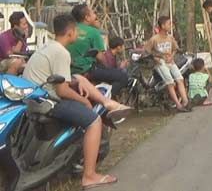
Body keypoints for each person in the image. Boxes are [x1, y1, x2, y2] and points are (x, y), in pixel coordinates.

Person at [23, 14, 131, 189]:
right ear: (70, 32)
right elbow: (62, 90)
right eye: (77, 31)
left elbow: (60, 81)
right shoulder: (61, 52)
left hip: (36, 98)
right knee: (94, 121)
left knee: (79, 78)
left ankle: (108, 103)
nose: (78, 34)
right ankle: (89, 175)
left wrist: (76, 82)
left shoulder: (48, 47)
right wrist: (83, 101)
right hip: (48, 102)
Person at [69, 5, 129, 96]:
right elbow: (100, 57)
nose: (95, 15)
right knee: (122, 76)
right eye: (93, 12)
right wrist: (108, 68)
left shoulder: (70, 29)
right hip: (86, 70)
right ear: (87, 17)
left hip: (70, 70)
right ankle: (104, 100)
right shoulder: (93, 32)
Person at [144, 16, 190, 112]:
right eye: (169, 24)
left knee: (180, 79)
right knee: (170, 82)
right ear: (163, 25)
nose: (171, 26)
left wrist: (172, 56)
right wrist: (155, 58)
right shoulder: (154, 39)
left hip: (170, 62)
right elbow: (147, 51)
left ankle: (185, 102)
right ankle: (178, 105)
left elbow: (175, 49)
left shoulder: (170, 37)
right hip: (160, 63)